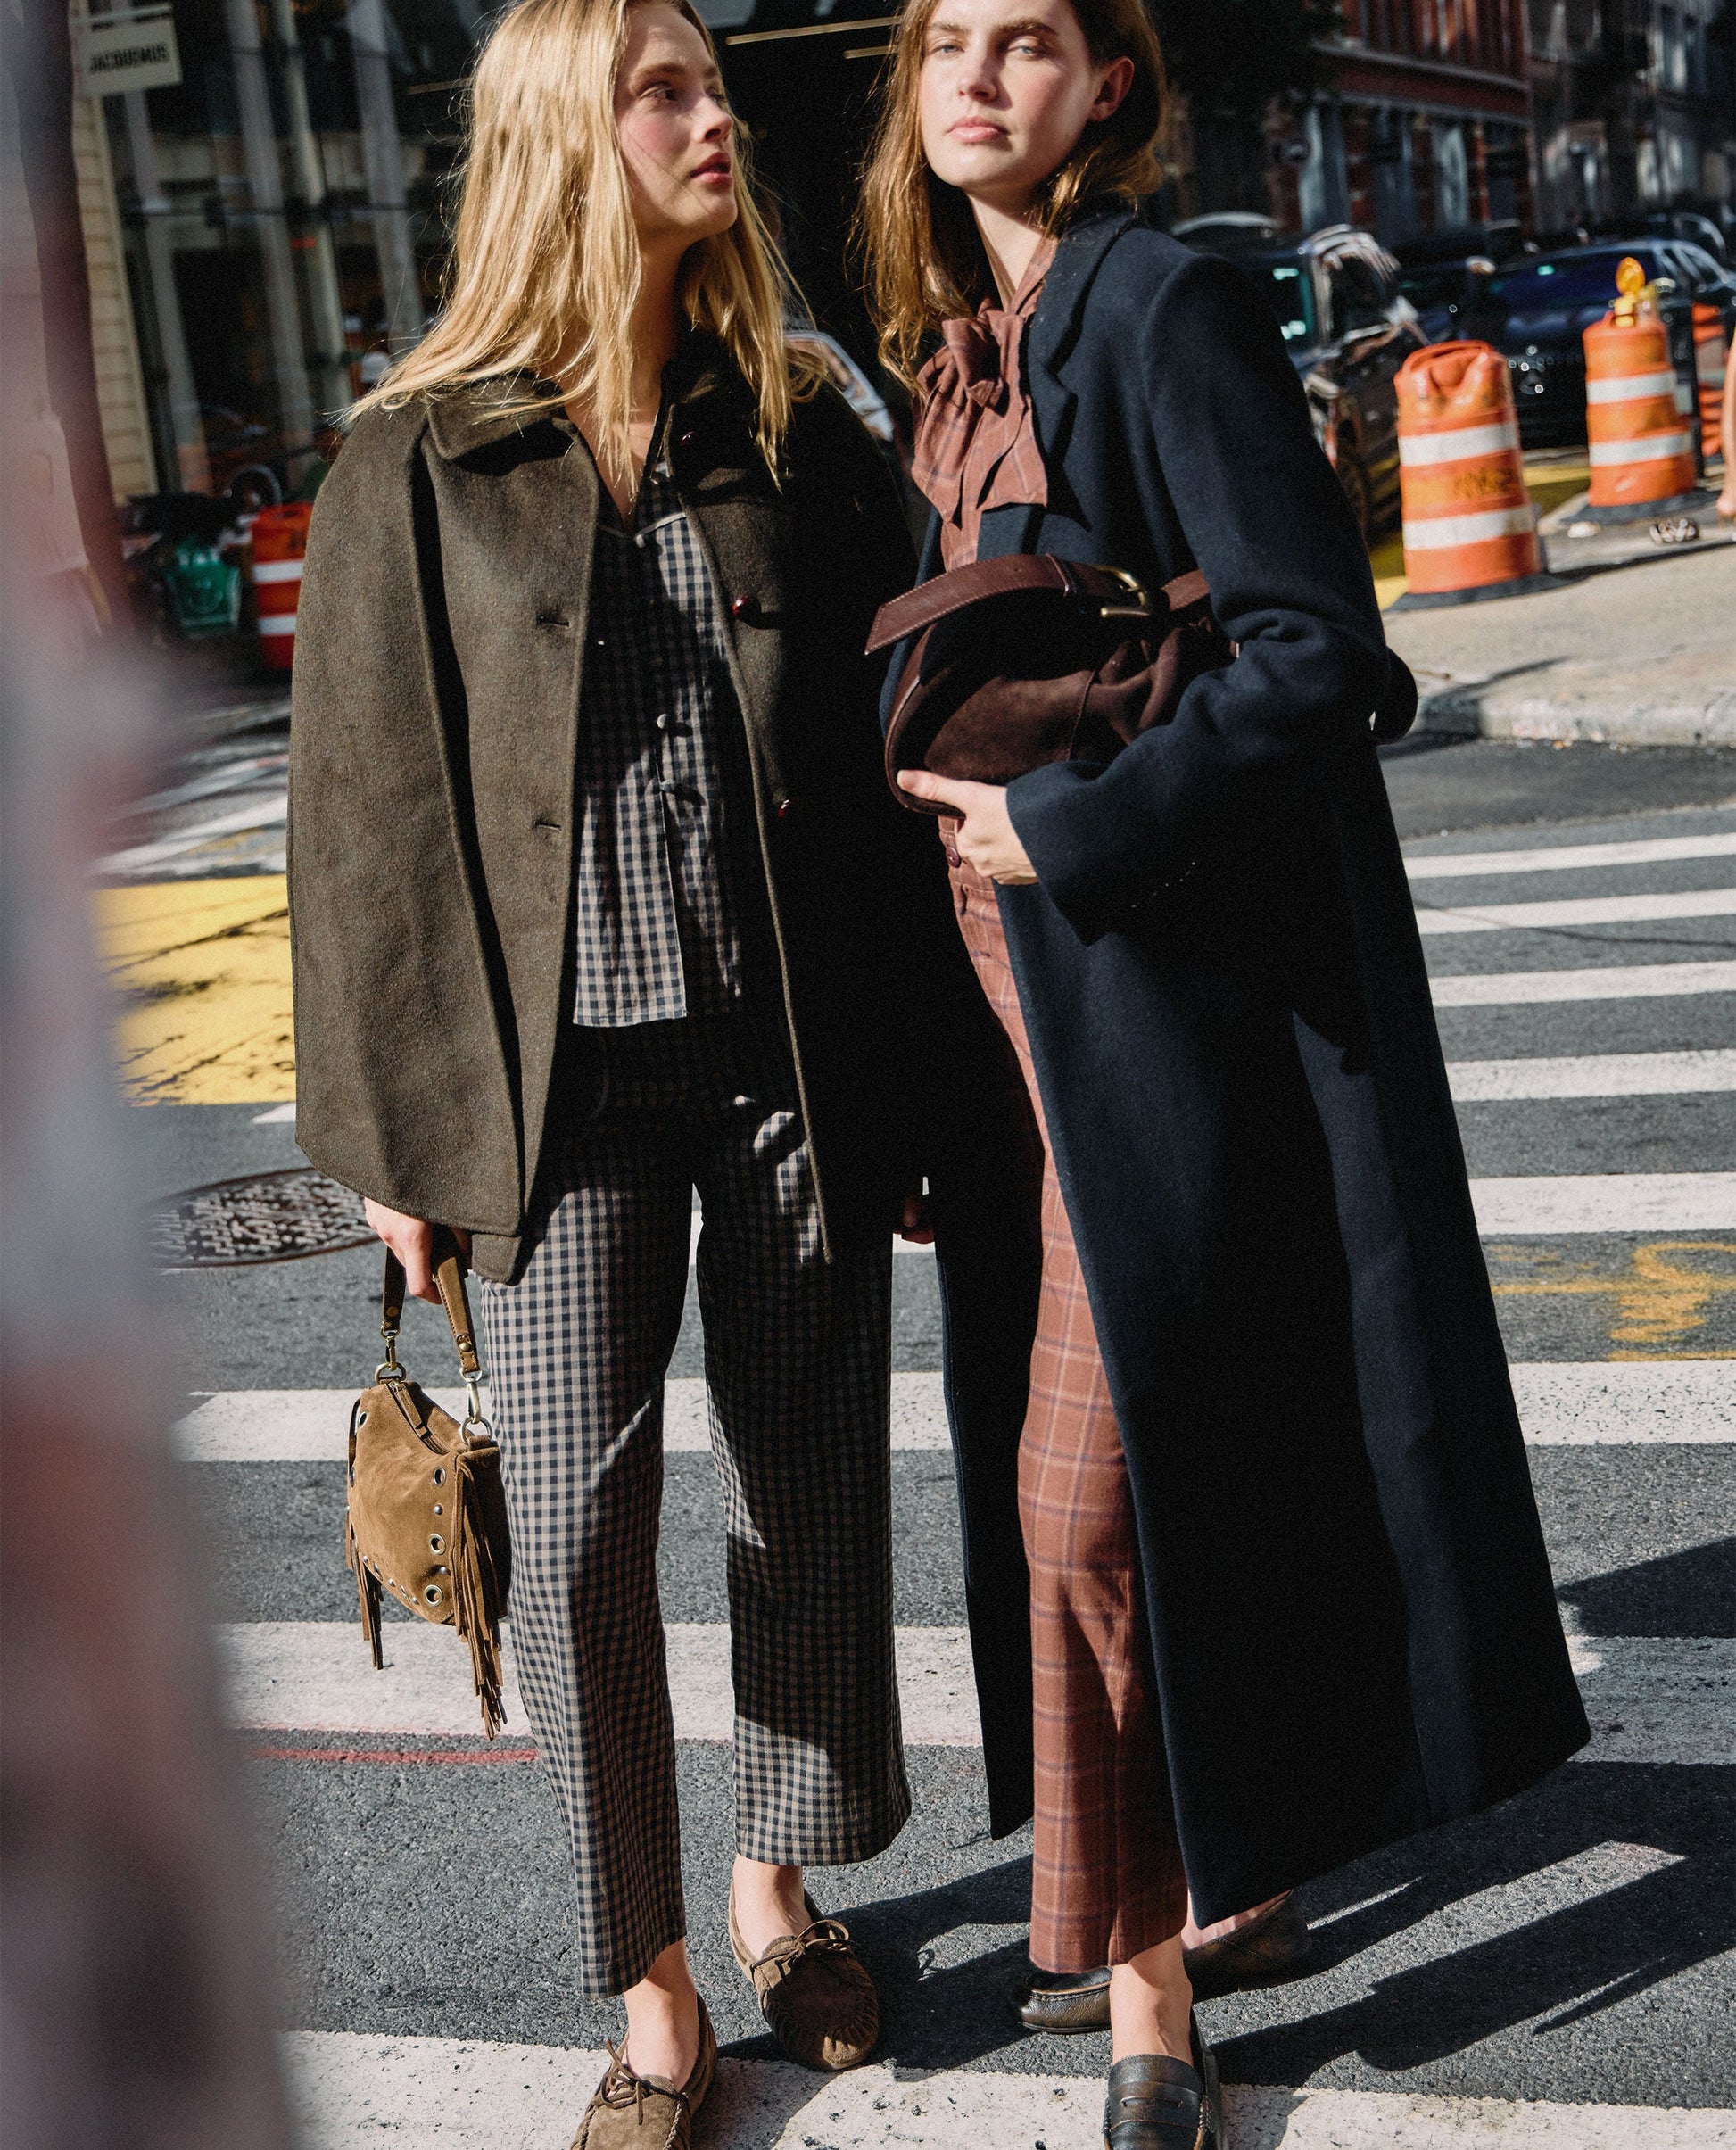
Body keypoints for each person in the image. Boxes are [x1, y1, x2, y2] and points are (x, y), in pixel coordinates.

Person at [857, 3, 1591, 2144]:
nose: (976, 77)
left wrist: (1066, 828)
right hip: (1013, 1011)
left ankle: (1140, 1987)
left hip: (1147, 983)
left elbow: (1317, 651)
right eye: (946, 43)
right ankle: (1222, 1882)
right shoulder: (953, 352)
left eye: (1026, 42)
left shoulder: (1157, 299)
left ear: (1107, 89)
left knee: (1078, 1494)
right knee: (1175, 1458)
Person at [287, 1, 967, 2140]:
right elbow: (361, 820)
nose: (709, 117)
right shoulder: (417, 455)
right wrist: (394, 1137)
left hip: (785, 1058)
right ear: (564, 141)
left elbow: (887, 762)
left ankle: (775, 1880)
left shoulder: (794, 422)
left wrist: (921, 1074)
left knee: (805, 1484)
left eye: (707, 82)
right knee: (574, 1531)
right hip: (549, 1099)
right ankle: (648, 1977)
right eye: (660, 88)